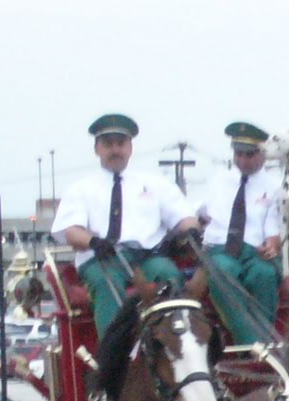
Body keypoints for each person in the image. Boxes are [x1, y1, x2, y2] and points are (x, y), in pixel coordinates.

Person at [50, 113, 200, 336]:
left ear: (130, 147)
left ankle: (172, 346)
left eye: (121, 144)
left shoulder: (155, 183)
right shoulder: (81, 188)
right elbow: (71, 231)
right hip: (103, 258)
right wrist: (94, 241)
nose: (115, 150)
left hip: (148, 258)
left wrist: (191, 230)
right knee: (106, 285)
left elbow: (184, 216)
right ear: (97, 149)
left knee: (170, 276)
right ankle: (114, 354)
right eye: (108, 144)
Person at [198, 121, 283, 346]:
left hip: (255, 252)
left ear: (263, 154)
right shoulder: (218, 181)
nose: (243, 160)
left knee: (264, 275)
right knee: (223, 271)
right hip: (221, 251)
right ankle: (255, 344)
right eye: (239, 154)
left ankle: (262, 341)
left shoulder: (274, 187)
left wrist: (273, 244)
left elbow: (273, 228)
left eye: (250, 154)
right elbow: (198, 212)